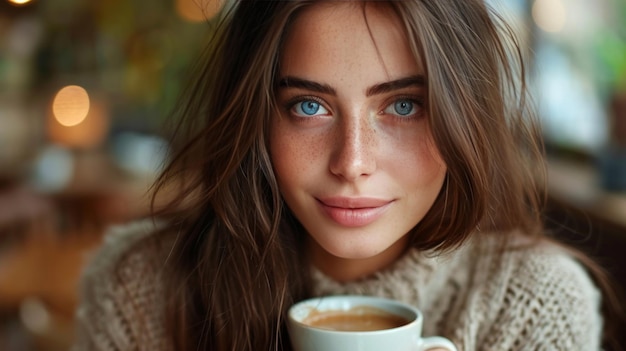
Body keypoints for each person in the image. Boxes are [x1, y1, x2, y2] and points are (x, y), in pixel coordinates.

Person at [72, 1, 621, 350]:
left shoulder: (533, 303)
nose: (352, 162)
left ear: (465, 116)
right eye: (309, 106)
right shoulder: (140, 288)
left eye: (404, 106)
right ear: (256, 118)